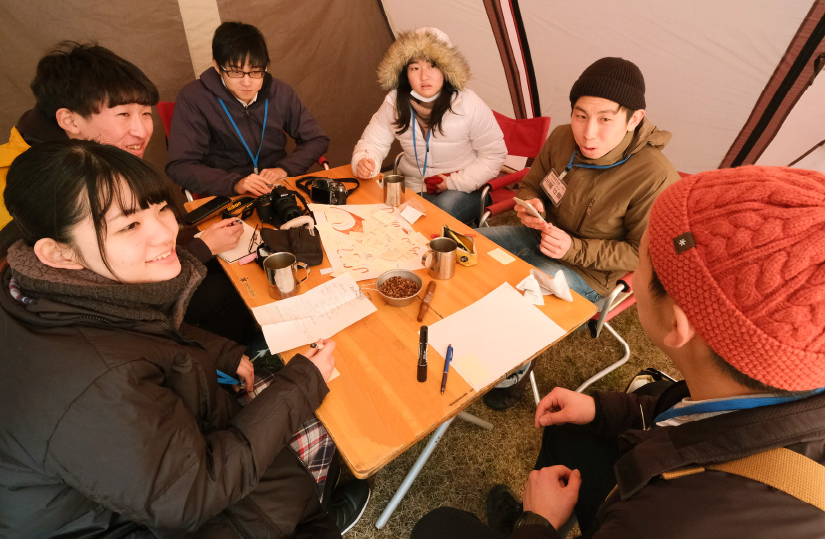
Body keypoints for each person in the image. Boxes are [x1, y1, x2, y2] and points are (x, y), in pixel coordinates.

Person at [0, 141, 370, 537]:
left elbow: (136, 329)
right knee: (319, 425)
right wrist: (301, 382)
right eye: (129, 226)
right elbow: (189, 496)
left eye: (160, 209)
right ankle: (316, 514)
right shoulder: (91, 381)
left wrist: (223, 352)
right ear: (58, 252)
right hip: (138, 520)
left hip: (115, 487)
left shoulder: (27, 284)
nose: (165, 234)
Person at [411, 166, 825, 539]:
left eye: (642, 264)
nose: (631, 279)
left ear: (677, 324)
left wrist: (539, 524)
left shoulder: (664, 522)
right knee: (572, 428)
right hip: (656, 468)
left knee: (439, 527)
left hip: (647, 503)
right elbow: (684, 412)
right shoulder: (761, 383)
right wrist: (602, 409)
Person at [0, 41, 259, 345]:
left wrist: (198, 240)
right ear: (70, 120)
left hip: (112, 294)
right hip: (86, 327)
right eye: (123, 114)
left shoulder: (87, 161)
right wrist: (202, 248)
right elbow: (91, 291)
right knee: (225, 292)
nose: (142, 131)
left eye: (145, 113)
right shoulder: (26, 189)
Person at [478, 57, 679, 410]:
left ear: (634, 119)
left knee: (522, 303)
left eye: (605, 119)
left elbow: (640, 252)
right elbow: (530, 184)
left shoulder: (654, 176)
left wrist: (574, 249)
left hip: (589, 272)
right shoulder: (561, 138)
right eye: (581, 115)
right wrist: (532, 204)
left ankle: (510, 376)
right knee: (469, 249)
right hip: (539, 237)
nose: (588, 133)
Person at [351, 27, 506, 225]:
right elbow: (372, 142)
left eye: (432, 66)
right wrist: (364, 161)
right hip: (416, 186)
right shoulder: (394, 103)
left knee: (436, 213)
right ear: (405, 73)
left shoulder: (468, 103)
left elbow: (494, 154)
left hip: (465, 188)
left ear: (446, 69)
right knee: (381, 212)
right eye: (415, 68)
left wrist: (453, 182)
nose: (424, 76)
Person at [166, 21, 330, 198]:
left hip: (277, 187)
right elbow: (180, 165)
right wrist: (235, 183)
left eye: (256, 71)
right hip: (226, 193)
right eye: (236, 72)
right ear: (217, 66)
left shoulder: (281, 92)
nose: (247, 82)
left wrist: (284, 169)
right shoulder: (193, 98)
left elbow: (317, 139)